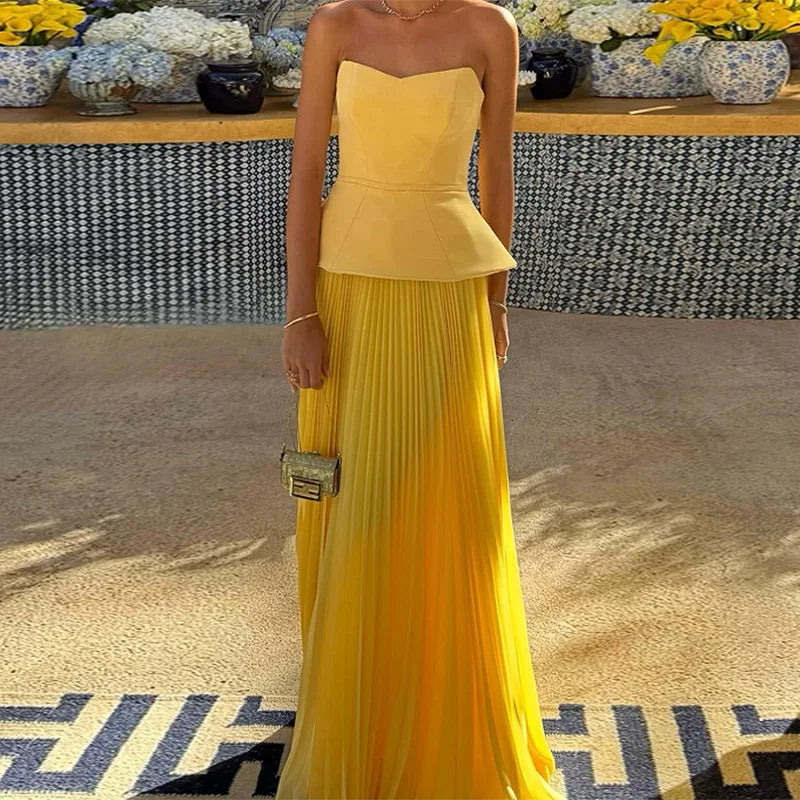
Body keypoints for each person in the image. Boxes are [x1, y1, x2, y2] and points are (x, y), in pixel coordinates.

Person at [277, 0, 563, 797]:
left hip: (448, 292)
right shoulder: (337, 23)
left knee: (446, 502)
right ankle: (354, 713)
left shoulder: (488, 28)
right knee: (353, 496)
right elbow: (306, 172)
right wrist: (302, 314)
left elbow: (495, 169)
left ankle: (450, 715)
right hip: (349, 289)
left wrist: (497, 300)